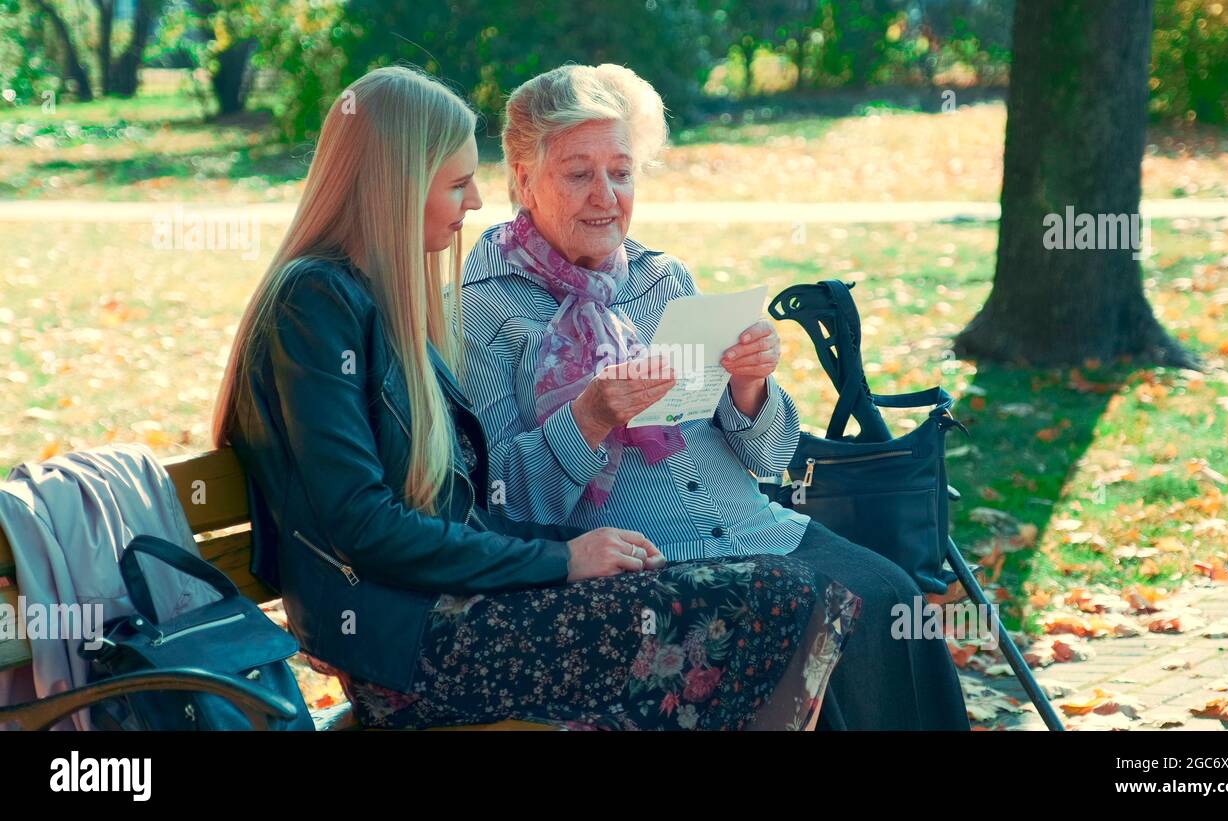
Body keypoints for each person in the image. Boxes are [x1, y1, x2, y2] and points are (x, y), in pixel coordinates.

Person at [211, 65, 860, 730]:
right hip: (407, 641)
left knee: (784, 596)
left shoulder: (377, 298)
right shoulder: (316, 302)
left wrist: (573, 546)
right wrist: (563, 556)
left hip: (451, 604)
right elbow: (366, 525)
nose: (473, 204)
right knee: (771, 598)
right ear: (398, 186)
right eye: (458, 184)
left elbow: (456, 507)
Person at [461, 63, 970, 730]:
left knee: (890, 594)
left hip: (757, 526)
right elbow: (499, 500)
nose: (606, 196)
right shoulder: (485, 304)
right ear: (522, 179)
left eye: (621, 171)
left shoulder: (663, 276)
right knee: (816, 624)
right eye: (578, 173)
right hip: (649, 559)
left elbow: (768, 456)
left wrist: (750, 385)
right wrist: (590, 416)